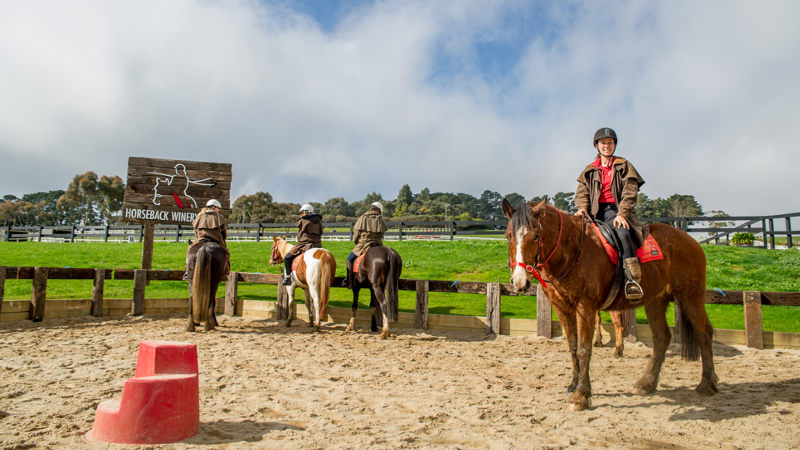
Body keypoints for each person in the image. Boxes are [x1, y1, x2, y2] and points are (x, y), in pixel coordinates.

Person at [574, 127, 645, 299]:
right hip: (593, 213)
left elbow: (630, 192)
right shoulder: (590, 170)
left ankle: (632, 280)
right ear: (597, 146)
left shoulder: (624, 165)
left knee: (623, 233)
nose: (607, 146)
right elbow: (581, 192)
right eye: (603, 143)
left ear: (614, 145)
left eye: (610, 143)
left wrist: (622, 214)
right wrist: (582, 207)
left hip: (616, 210)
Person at [343, 202, 387, 288]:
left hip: (363, 244)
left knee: (349, 259)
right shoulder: (380, 219)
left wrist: (356, 242)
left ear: (371, 209)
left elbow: (356, 232)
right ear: (379, 210)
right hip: (378, 244)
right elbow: (382, 233)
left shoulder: (363, 217)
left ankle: (350, 281)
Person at [184, 199, 229, 280]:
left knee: (190, 249)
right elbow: (224, 235)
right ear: (214, 207)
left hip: (200, 240)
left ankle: (187, 271)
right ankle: (226, 272)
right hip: (216, 241)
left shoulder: (199, 216)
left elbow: (195, 232)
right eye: (218, 208)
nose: (218, 210)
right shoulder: (219, 217)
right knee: (226, 253)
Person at [282, 203, 324, 285]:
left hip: (304, 244)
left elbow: (298, 227)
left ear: (305, 212)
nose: (301, 214)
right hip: (318, 245)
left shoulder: (303, 220)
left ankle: (287, 278)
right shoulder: (319, 222)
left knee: (287, 257)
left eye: (302, 212)